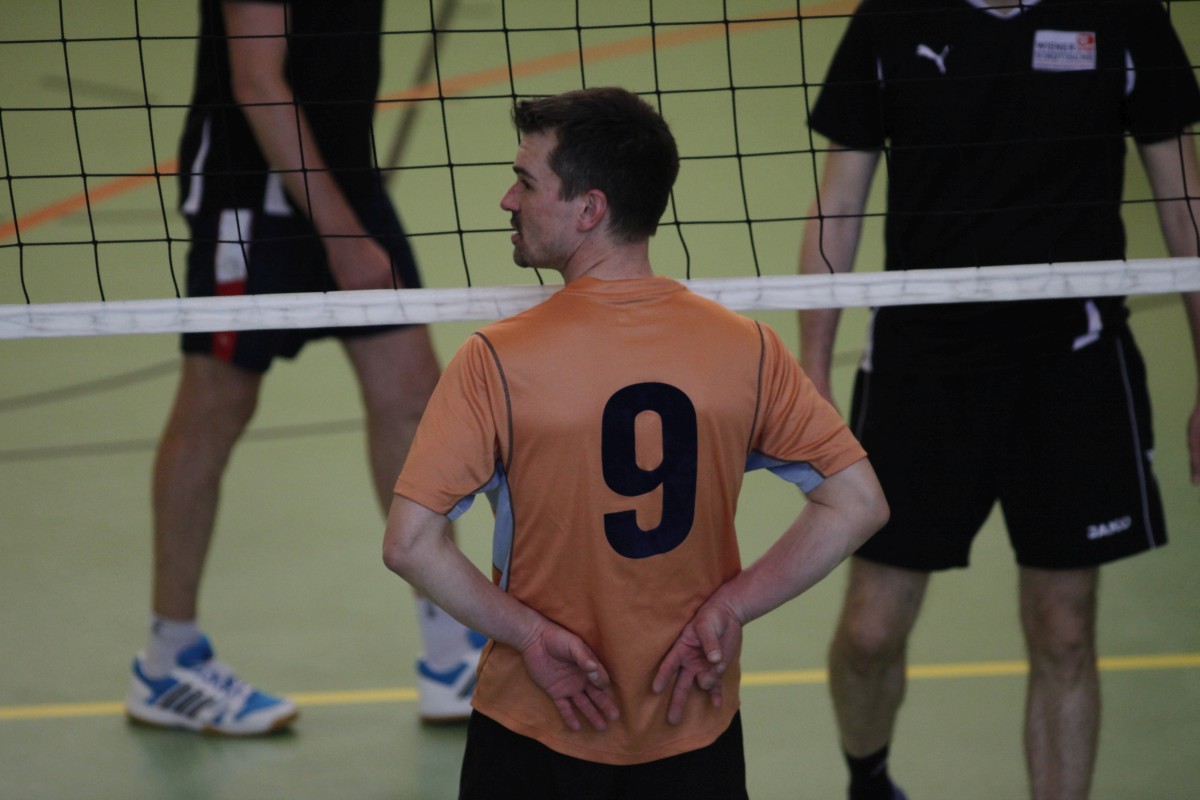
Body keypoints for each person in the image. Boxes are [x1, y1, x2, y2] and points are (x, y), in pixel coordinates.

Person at [381, 86, 890, 799]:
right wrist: (732, 607)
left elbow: (409, 545)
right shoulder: (747, 348)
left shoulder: (494, 361)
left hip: (537, 721)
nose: (508, 200)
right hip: (693, 722)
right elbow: (859, 503)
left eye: (527, 182)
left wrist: (530, 636)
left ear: (589, 209)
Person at [798, 1, 1200, 798]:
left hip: (1074, 366)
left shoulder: (1123, 15)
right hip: (920, 366)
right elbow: (836, 206)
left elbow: (1186, 205)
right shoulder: (891, 19)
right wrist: (812, 374)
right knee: (871, 632)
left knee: (1064, 631)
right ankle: (869, 779)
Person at [124, 0, 483, 735]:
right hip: (251, 192)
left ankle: (451, 654)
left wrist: (347, 217)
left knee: (411, 395)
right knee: (215, 406)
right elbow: (257, 79)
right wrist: (342, 237)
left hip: (344, 175)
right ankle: (167, 661)